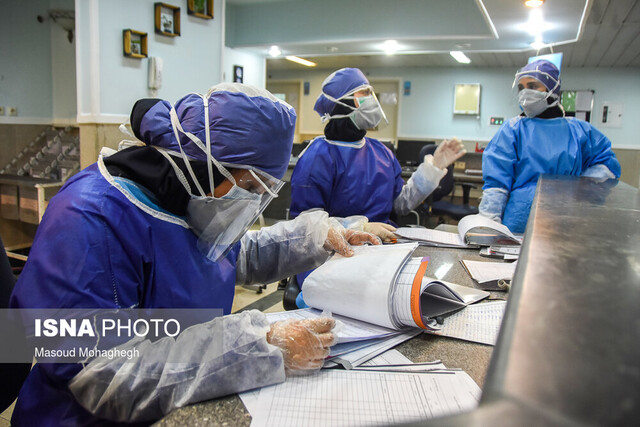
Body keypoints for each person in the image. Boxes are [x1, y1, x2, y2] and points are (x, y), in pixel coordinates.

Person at [9, 83, 379, 425]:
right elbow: (101, 372)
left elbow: (230, 255)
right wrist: (253, 347)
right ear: (203, 165)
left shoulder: (187, 201)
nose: (250, 201)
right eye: (249, 186)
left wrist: (316, 239)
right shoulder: (90, 219)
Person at [290, 67, 465, 240]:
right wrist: (359, 228)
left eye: (370, 93)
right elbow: (307, 226)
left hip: (383, 246)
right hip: (337, 254)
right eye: (363, 93)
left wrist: (433, 169)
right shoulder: (317, 157)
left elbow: (401, 204)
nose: (371, 100)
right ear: (342, 104)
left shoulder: (381, 152)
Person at [479, 59, 621, 233]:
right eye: (521, 87)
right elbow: (496, 185)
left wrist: (581, 190)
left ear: (552, 88)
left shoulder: (579, 131)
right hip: (518, 223)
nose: (525, 93)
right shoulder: (512, 130)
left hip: (567, 221)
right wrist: (488, 226)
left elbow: (606, 164)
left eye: (533, 86)